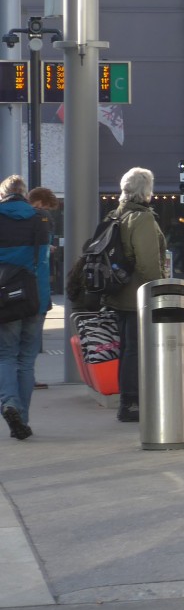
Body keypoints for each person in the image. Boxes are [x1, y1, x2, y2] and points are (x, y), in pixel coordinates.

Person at [103, 167, 167, 424]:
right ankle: (131, 403)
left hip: (119, 292)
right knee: (136, 350)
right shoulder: (142, 218)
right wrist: (160, 290)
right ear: (146, 190)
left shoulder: (115, 214)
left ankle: (127, 401)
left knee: (127, 349)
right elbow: (148, 263)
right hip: (138, 295)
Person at [0, 176, 51, 441]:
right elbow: (43, 259)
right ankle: (22, 418)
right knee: (26, 360)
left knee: (6, 355)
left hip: (4, 298)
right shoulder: (41, 219)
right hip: (35, 298)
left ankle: (9, 402)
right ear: (24, 193)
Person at [27, 187, 59, 391]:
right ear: (40, 203)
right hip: (35, 291)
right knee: (30, 342)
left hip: (12, 290)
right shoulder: (40, 219)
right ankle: (26, 380)